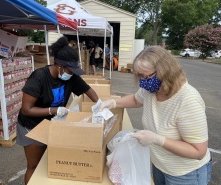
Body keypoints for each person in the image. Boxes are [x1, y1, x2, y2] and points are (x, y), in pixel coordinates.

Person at [100, 45, 212, 185]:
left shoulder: (188, 100)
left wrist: (158, 140)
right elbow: (136, 99)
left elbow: (198, 151)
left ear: (165, 72)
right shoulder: (152, 89)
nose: (143, 81)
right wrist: (113, 103)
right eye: (139, 76)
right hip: (159, 166)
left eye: (146, 76)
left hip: (185, 174)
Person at [16, 36, 99, 185]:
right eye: (70, 70)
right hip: (31, 125)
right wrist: (53, 110)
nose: (72, 73)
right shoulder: (39, 77)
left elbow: (89, 91)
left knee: (50, 162)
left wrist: (100, 106)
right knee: (34, 166)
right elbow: (26, 109)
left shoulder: (71, 77)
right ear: (60, 65)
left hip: (51, 124)